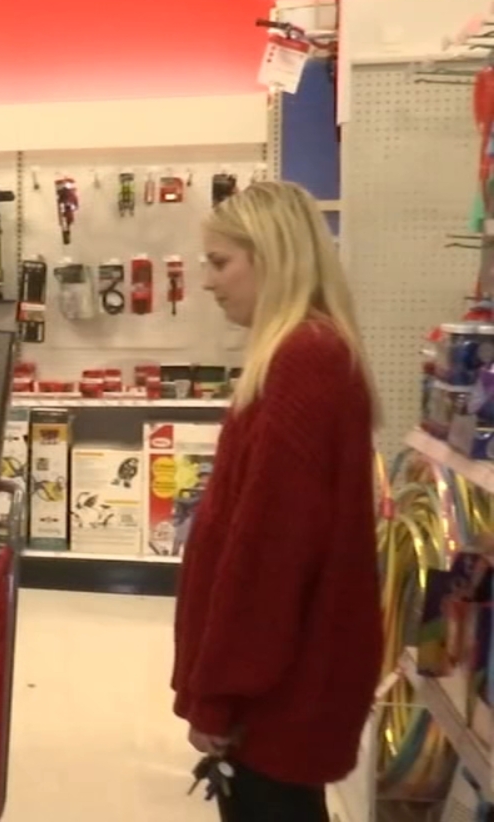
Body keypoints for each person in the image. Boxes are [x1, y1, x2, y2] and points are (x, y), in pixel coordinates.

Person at [172, 180, 382, 822]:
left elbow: (269, 555)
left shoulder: (303, 362)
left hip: (275, 696)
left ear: (272, 256)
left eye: (219, 261)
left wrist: (218, 698)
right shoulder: (306, 353)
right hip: (285, 686)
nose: (207, 281)